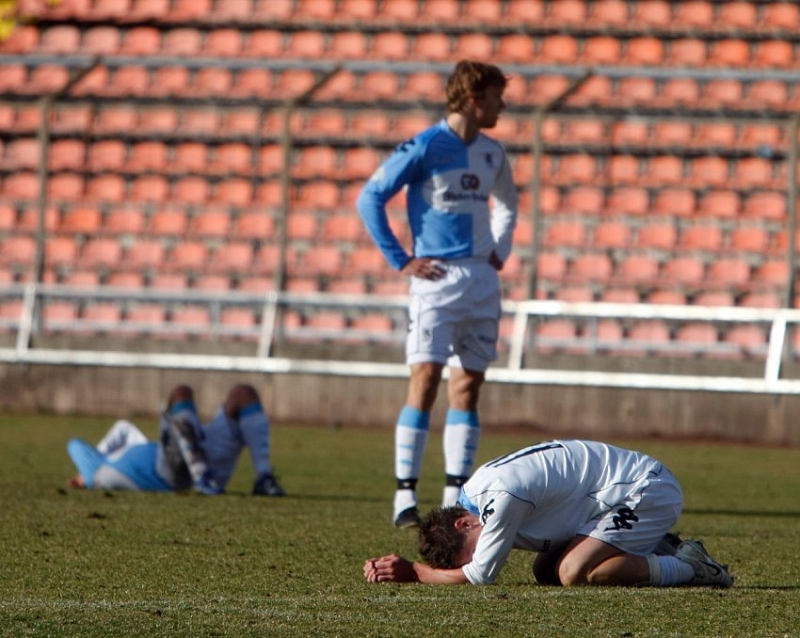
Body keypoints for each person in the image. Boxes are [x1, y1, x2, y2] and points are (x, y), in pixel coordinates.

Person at [356, 60, 519, 528]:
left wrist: (499, 250)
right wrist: (401, 258)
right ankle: (404, 498)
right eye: (495, 96)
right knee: (425, 379)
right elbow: (371, 196)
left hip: (482, 281)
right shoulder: (426, 146)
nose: (502, 106)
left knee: (468, 386)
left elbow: (508, 203)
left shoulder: (492, 152)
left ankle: (454, 502)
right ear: (473, 99)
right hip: (436, 278)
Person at [363, 439, 733, 588]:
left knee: (575, 573)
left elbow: (480, 575)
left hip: (644, 489)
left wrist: (414, 572)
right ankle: (654, 544)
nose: (496, 548)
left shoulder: (499, 497)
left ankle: (691, 567)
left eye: (478, 544)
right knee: (544, 571)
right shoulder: (475, 495)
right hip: (608, 500)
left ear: (464, 522)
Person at [67, 383, 285, 497]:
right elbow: (74, 445)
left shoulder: (114, 456)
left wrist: (104, 449)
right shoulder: (96, 471)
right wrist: (83, 476)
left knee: (244, 393)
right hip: (172, 469)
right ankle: (200, 472)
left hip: (192, 445)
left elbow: (122, 429)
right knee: (180, 392)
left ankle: (264, 478)